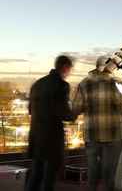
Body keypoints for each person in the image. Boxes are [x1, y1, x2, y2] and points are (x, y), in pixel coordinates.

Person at [72, 56, 122, 191]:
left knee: (92, 170)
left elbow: (76, 108)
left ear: (96, 67)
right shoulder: (117, 84)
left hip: (92, 134)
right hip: (113, 134)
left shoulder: (84, 83)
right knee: (109, 173)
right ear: (111, 67)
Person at [26, 55, 77, 191]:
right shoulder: (62, 85)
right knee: (49, 178)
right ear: (65, 67)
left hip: (36, 136)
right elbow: (64, 113)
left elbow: (30, 109)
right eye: (70, 69)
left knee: (35, 175)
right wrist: (76, 113)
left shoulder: (37, 84)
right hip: (52, 139)